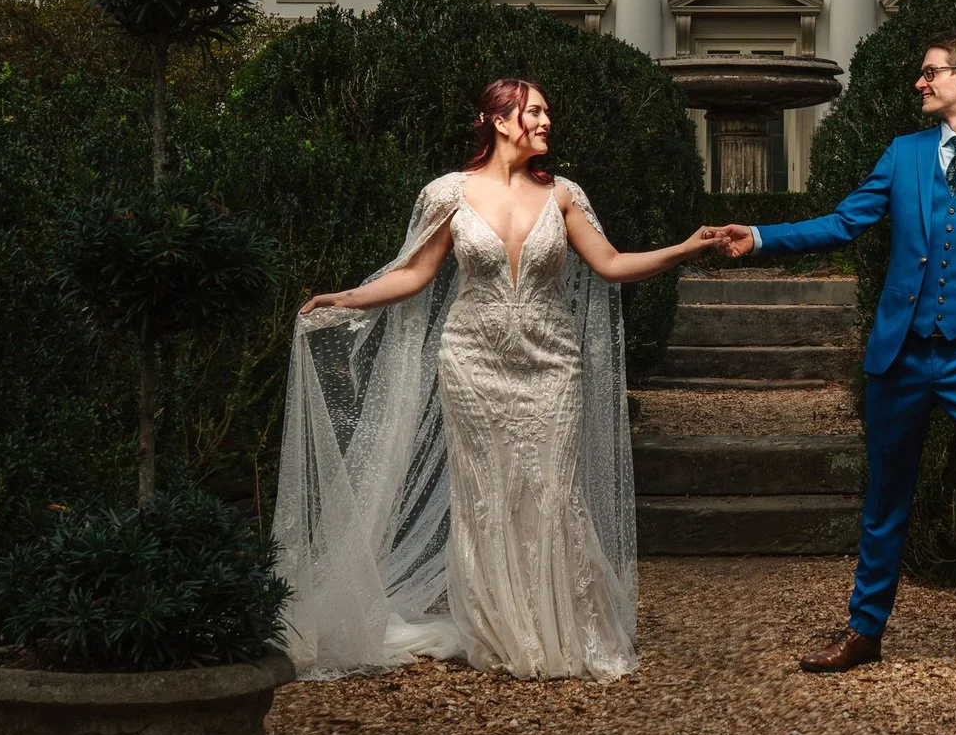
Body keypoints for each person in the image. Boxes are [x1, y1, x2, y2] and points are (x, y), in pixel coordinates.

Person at [276, 78, 719, 681]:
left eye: (545, 113)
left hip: (552, 362)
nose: (545, 122)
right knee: (488, 499)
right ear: (500, 119)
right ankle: (504, 630)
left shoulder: (564, 195)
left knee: (553, 489)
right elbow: (414, 276)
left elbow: (612, 265)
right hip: (472, 363)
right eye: (535, 111)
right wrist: (348, 298)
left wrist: (684, 249)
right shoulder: (448, 194)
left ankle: (562, 629)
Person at [714, 30, 956, 676]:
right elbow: (843, 222)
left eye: (930, 73)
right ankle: (864, 631)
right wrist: (759, 235)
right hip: (901, 355)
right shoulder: (903, 154)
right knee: (887, 494)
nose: (920, 83)